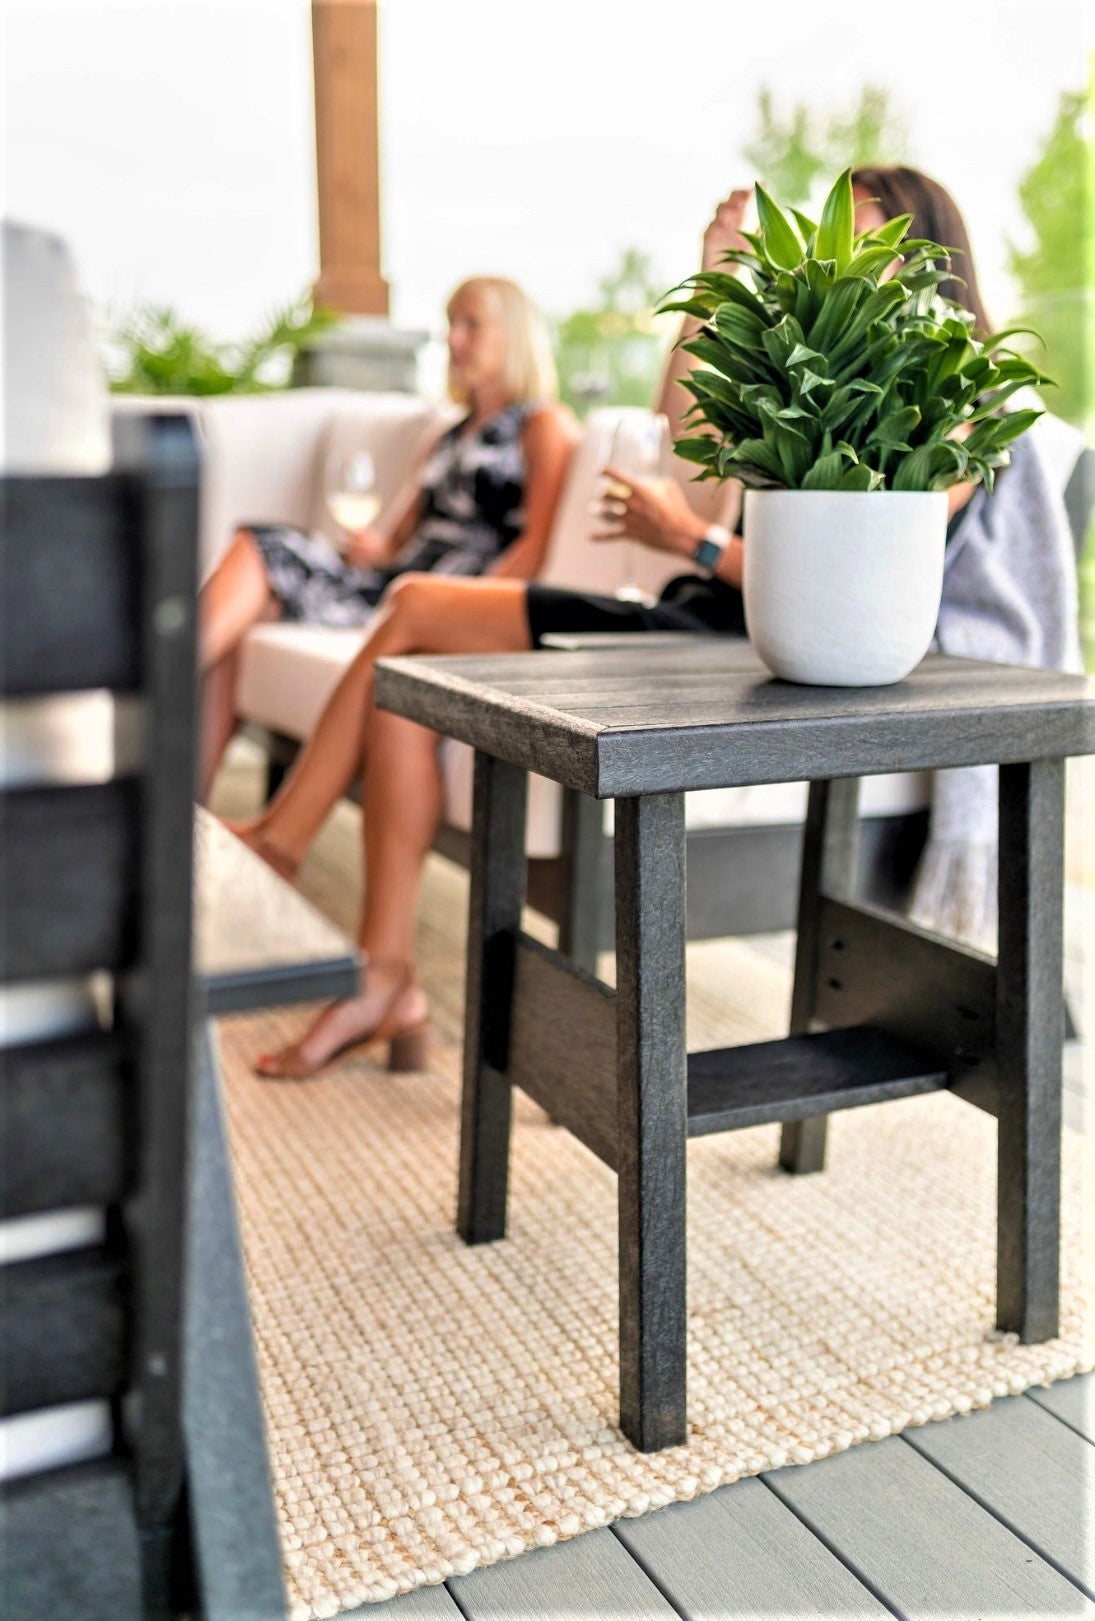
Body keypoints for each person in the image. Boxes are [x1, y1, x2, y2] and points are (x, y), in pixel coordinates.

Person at [230, 166, 1079, 1078]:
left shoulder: (963, 406)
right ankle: (385, 974)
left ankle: (288, 850)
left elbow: (853, 573)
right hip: (700, 617)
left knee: (416, 606)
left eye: (865, 241)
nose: (841, 261)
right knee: (413, 672)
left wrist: (692, 542)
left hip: (735, 642)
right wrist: (714, 275)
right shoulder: (814, 369)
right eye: (834, 239)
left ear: (921, 258)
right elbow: (681, 439)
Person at [198, 276, 577, 796]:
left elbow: (535, 545)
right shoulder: (447, 432)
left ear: (513, 333)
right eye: (450, 325)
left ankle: (158, 679)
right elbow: (398, 538)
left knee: (262, 566)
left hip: (449, 598)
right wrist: (375, 549)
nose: (453, 340)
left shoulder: (542, 424)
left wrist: (467, 607)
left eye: (470, 324)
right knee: (258, 554)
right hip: (395, 583)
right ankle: (179, 821)